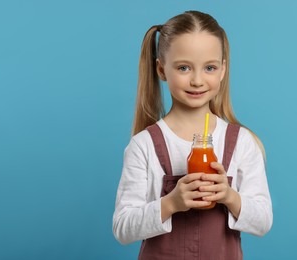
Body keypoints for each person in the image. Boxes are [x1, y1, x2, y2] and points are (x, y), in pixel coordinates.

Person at [113, 10, 273, 260]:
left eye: (209, 67)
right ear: (162, 69)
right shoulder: (144, 145)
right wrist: (171, 203)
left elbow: (263, 222)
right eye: (184, 67)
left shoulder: (241, 143)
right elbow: (122, 228)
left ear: (222, 70)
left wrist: (229, 196)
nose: (197, 80)